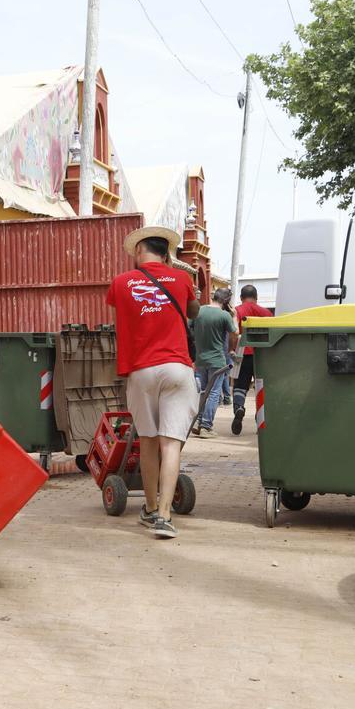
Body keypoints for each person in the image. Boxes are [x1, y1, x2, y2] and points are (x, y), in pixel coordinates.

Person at [105, 226, 200, 539]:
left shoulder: (121, 282)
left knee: (147, 440)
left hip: (142, 369)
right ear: (167, 253)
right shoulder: (183, 279)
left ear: (138, 251)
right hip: (177, 367)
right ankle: (164, 515)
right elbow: (193, 311)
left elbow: (119, 307)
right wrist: (181, 279)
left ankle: (148, 507)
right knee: (170, 443)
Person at [191, 288, 239, 437]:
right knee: (213, 393)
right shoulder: (224, 315)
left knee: (203, 391)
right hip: (217, 360)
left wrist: (197, 341)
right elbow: (235, 332)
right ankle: (206, 426)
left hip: (200, 359)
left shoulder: (198, 311)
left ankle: (199, 422)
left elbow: (189, 328)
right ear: (226, 301)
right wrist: (234, 316)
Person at [232, 284, 274, 436]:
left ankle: (239, 408)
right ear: (256, 298)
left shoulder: (236, 311)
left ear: (241, 297)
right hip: (261, 354)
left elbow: (233, 332)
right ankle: (260, 420)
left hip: (242, 352)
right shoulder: (266, 313)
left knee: (240, 385)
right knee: (261, 387)